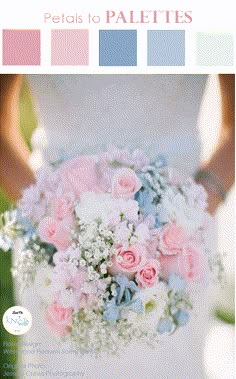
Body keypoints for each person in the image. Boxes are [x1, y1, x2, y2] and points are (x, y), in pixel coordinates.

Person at [0, 74, 234, 378]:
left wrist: (188, 212)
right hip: (56, 254)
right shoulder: (25, 25)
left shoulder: (210, 25)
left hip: (180, 244)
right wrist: (52, 221)